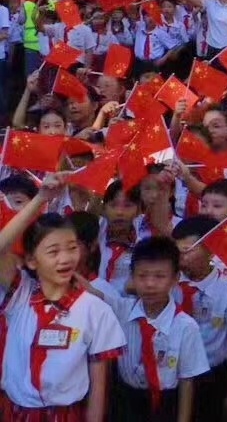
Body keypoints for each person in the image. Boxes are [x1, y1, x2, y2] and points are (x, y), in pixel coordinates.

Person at [0, 177, 126, 422]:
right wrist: (40, 199)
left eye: (71, 247)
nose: (65, 258)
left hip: (67, 415)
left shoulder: (95, 309)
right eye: (53, 251)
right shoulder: (20, 295)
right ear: (31, 261)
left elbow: (99, 388)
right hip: (17, 413)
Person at [109, 236, 209, 422]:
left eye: (159, 276)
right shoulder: (121, 311)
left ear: (175, 278)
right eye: (142, 276)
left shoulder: (186, 326)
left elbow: (187, 381)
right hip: (126, 401)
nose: (150, 284)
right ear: (132, 276)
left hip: (166, 403)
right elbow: (93, 294)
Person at [172, 215, 227, 421]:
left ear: (209, 249)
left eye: (188, 250)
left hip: (213, 375)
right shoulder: (170, 288)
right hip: (173, 374)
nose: (182, 258)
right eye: (177, 251)